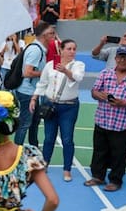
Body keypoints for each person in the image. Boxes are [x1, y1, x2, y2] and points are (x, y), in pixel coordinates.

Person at [84, 46, 126, 192]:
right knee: (99, 151)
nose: (122, 60)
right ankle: (98, 176)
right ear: (115, 58)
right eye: (120, 57)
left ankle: (115, 180)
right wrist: (99, 95)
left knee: (120, 153)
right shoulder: (105, 73)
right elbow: (94, 91)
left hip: (123, 124)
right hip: (103, 119)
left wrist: (123, 103)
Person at [30, 39, 85, 182]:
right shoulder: (50, 65)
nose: (72, 52)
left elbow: (78, 77)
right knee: (49, 138)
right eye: (69, 49)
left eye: (74, 49)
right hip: (50, 105)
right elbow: (42, 83)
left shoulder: (78, 65)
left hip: (69, 107)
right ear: (61, 50)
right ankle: (45, 164)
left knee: (67, 139)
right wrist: (34, 98)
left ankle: (67, 169)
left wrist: (65, 70)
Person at [15, 21, 55, 146]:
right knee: (25, 123)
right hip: (27, 92)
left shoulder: (38, 48)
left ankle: (33, 147)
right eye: (51, 33)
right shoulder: (36, 50)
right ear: (44, 35)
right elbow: (27, 72)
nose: (53, 36)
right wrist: (45, 73)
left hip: (33, 91)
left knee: (34, 122)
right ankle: (17, 150)